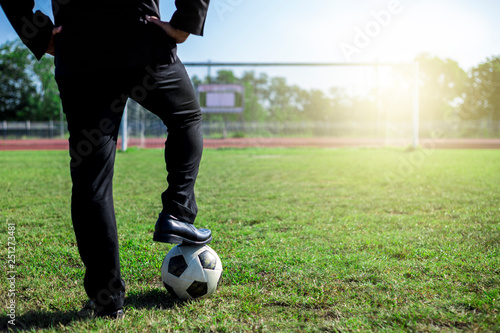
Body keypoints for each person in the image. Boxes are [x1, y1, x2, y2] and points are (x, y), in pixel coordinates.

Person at [0, 0, 212, 319]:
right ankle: (178, 211)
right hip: (141, 38)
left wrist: (39, 35)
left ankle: (107, 299)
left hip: (80, 49)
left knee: (91, 180)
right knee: (186, 118)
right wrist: (185, 21)